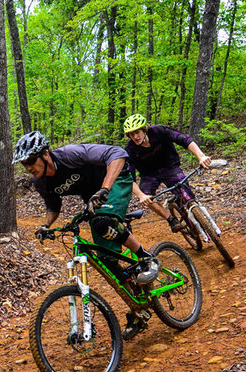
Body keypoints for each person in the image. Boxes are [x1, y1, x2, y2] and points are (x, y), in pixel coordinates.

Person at [13, 131, 159, 338]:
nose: (27, 168)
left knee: (102, 222)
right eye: (23, 164)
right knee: (106, 260)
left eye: (30, 161)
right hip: (94, 196)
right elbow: (53, 206)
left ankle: (146, 258)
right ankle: (138, 307)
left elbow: (118, 153)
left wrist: (105, 189)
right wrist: (46, 225)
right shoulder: (42, 182)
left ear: (45, 154)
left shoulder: (71, 155)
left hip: (116, 179)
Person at [123, 114, 212, 237]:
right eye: (131, 135)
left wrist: (201, 156)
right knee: (147, 198)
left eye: (137, 132)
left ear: (144, 129)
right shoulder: (130, 150)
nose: (135, 137)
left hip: (170, 167)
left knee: (184, 190)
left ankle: (193, 208)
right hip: (149, 175)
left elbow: (184, 139)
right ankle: (171, 219)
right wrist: (141, 195)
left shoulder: (158, 131)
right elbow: (129, 178)